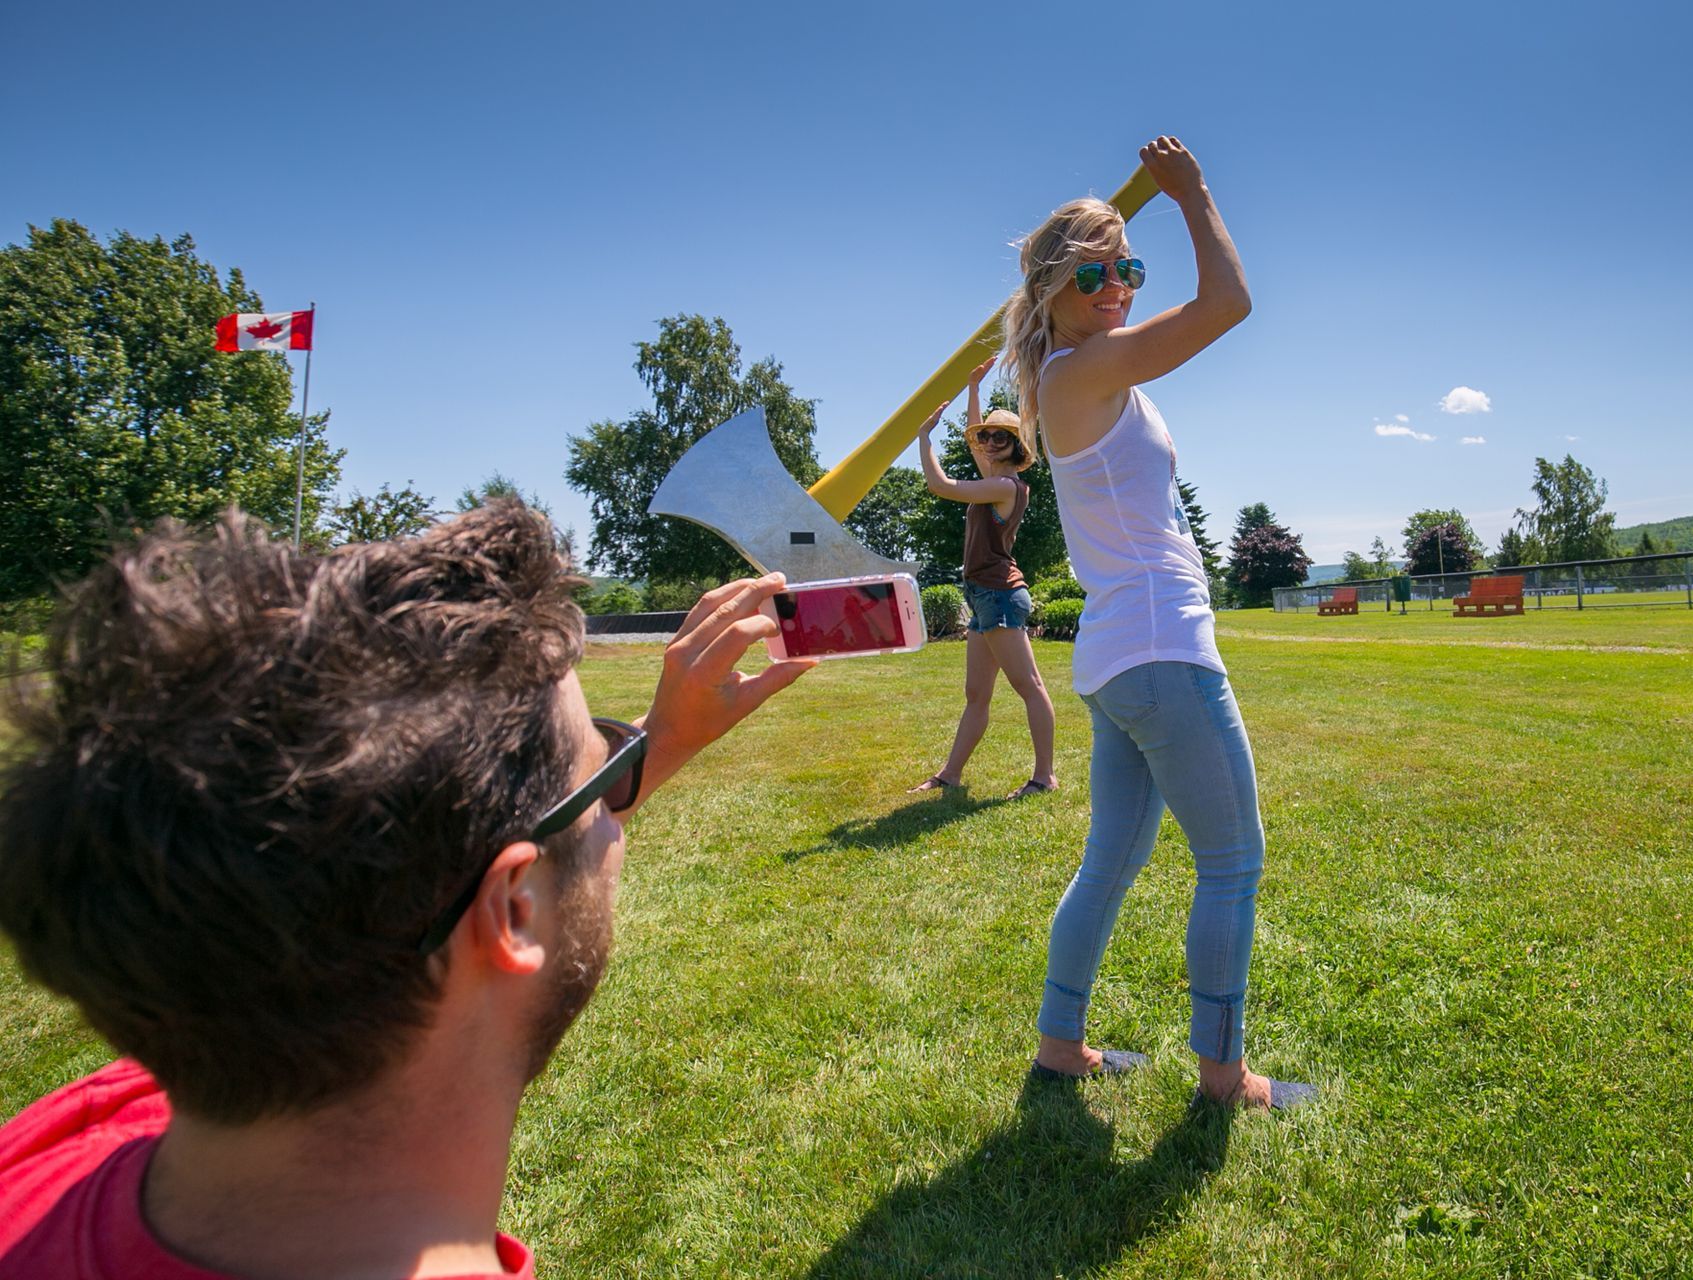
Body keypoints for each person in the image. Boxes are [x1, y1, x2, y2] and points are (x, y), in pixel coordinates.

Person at [0, 502, 813, 1278]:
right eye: (598, 770)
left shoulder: (99, 1116)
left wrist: (657, 739)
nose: (613, 806)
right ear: (513, 909)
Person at [1004, 136, 1313, 1110]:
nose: (1117, 289)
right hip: (1160, 650)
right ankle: (1226, 1077)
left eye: (1127, 271)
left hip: (1121, 654)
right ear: (1052, 287)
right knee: (1232, 861)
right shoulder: (1083, 371)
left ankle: (1061, 1045)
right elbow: (1228, 304)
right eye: (1094, 272)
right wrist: (1193, 192)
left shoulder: (1076, 375)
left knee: (1110, 862)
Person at [909, 355, 1057, 799]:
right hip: (982, 595)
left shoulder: (1005, 486)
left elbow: (941, 486)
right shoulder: (995, 478)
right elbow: (976, 446)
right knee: (976, 694)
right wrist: (974, 388)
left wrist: (924, 439)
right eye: (987, 435)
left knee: (1029, 686)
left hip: (1000, 594)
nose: (989, 442)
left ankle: (1044, 777)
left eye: (1000, 437)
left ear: (1017, 446)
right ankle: (950, 774)